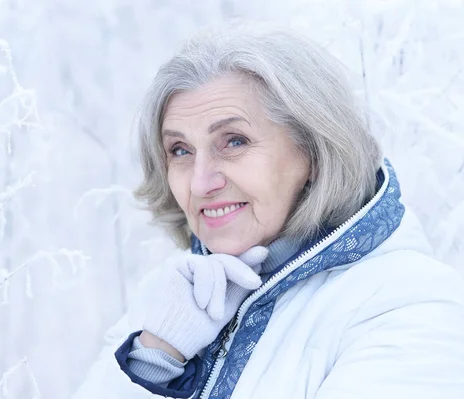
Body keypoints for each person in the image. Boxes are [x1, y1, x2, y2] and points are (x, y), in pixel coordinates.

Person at [73, 21, 464, 399]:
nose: (199, 183)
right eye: (180, 150)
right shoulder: (170, 300)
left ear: (312, 151)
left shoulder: (411, 307)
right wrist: (157, 358)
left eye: (234, 141)